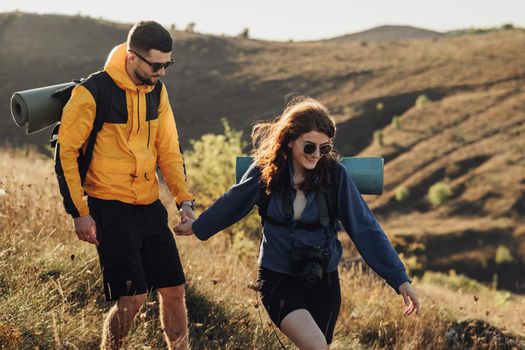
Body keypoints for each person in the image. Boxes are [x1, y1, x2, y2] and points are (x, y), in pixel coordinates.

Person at [175, 97, 420, 349]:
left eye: (324, 149)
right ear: (290, 140)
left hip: (323, 281)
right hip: (278, 277)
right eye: (310, 147)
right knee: (316, 347)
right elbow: (232, 203)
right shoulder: (266, 172)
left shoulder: (335, 176)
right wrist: (197, 226)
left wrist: (399, 279)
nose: (317, 155)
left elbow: (366, 229)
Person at [55, 21, 194, 350]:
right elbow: (66, 154)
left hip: (148, 205)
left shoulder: (157, 91)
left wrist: (183, 201)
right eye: (156, 65)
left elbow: (169, 150)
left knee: (174, 290)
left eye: (167, 64)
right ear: (133, 58)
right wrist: (79, 212)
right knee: (131, 298)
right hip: (109, 206)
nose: (162, 72)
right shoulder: (92, 92)